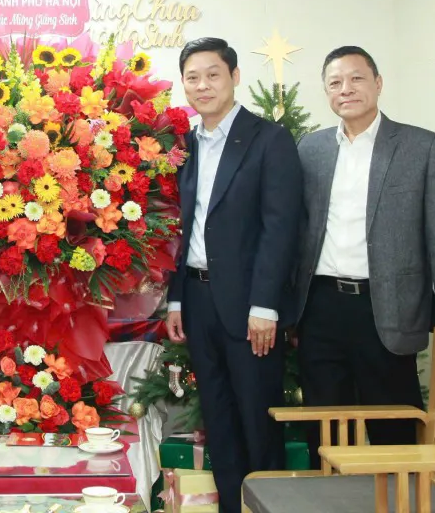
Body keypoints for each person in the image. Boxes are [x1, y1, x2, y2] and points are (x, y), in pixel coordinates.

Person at [293, 46, 435, 465]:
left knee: (395, 433)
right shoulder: (310, 149)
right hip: (321, 309)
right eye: (335, 82)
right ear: (326, 92)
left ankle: (400, 496)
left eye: (356, 78)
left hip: (388, 309)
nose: (346, 89)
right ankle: (332, 496)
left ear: (378, 83)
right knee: (324, 433)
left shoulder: (420, 146)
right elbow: (297, 232)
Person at [164, 38, 303, 513]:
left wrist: (266, 306)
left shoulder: (269, 140)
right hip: (198, 301)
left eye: (213, 75)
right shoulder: (185, 146)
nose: (203, 86)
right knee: (219, 423)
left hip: (249, 307)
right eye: (193, 77)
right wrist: (177, 299)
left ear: (235, 77)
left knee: (256, 422)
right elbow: (181, 228)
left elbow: (281, 228)